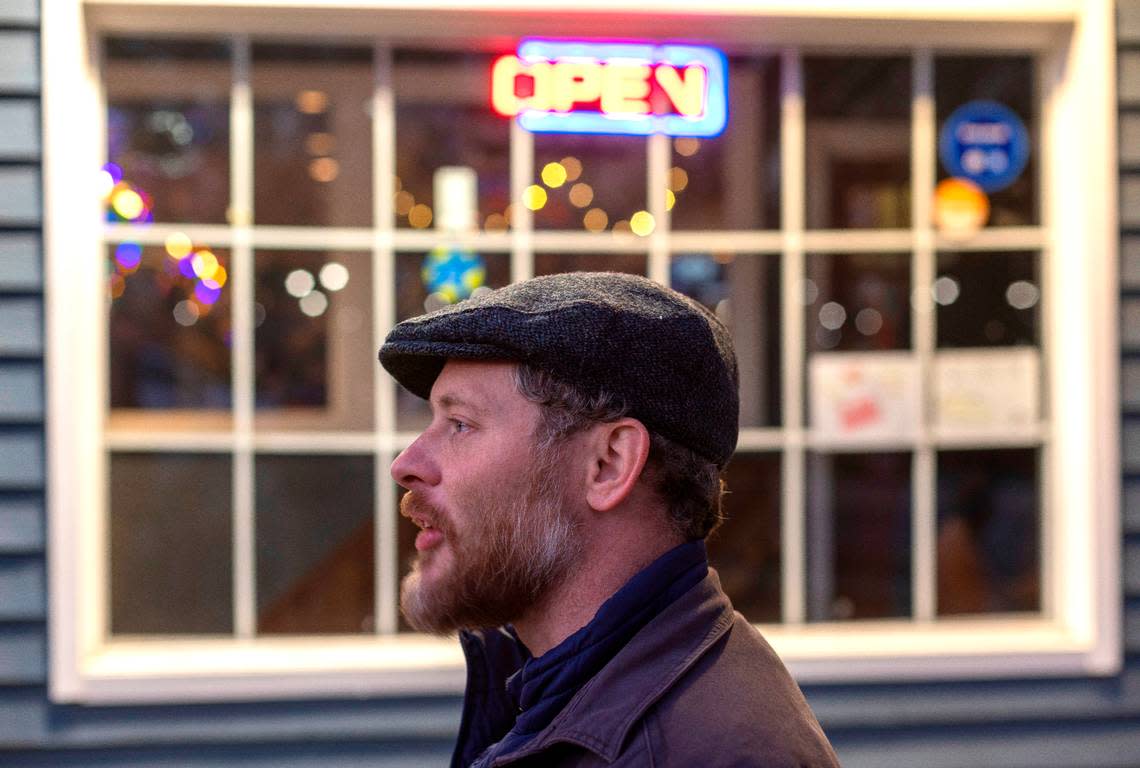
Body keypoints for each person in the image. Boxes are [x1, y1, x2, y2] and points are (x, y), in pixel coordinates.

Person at [380, 272, 839, 767]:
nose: (407, 464)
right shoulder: (550, 692)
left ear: (609, 464)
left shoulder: (706, 752)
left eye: (460, 424)